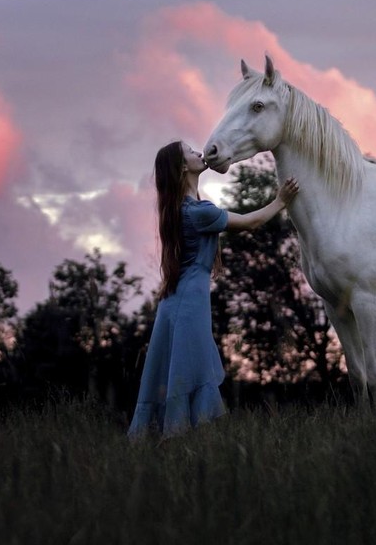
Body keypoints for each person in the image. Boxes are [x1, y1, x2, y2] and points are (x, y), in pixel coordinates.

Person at [128, 140, 299, 438]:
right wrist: (281, 200)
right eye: (191, 152)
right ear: (183, 167)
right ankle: (183, 443)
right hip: (189, 302)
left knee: (179, 375)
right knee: (188, 374)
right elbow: (250, 222)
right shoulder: (198, 213)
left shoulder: (180, 209)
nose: (199, 152)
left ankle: (174, 445)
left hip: (177, 302)